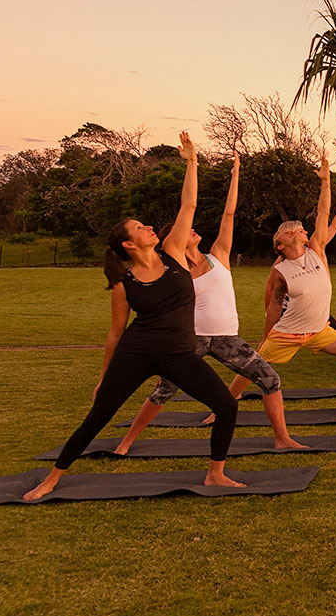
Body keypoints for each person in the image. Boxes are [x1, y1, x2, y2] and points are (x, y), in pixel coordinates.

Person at [23, 133, 242, 500]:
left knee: (226, 406)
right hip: (136, 353)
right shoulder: (124, 282)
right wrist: (103, 378)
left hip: (179, 355)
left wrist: (192, 162)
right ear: (129, 244)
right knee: (98, 416)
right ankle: (52, 478)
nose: (149, 228)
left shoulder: (173, 253)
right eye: (140, 228)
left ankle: (215, 474)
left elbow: (188, 203)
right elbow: (115, 333)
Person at [111, 153, 308, 454]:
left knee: (270, 378)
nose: (192, 230)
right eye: (186, 231)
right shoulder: (175, 270)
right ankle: (127, 441)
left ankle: (282, 437)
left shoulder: (219, 255)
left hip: (228, 338)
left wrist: (236, 175)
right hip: (191, 340)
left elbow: (228, 216)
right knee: (164, 391)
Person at [224, 155, 336, 420]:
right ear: (279, 245)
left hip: (319, 330)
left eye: (299, 230)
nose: (297, 232)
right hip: (288, 332)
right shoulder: (281, 271)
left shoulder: (316, 250)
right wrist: (267, 335)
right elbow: (273, 304)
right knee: (252, 366)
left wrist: (327, 182)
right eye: (290, 232)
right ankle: (225, 404)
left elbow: (326, 217)